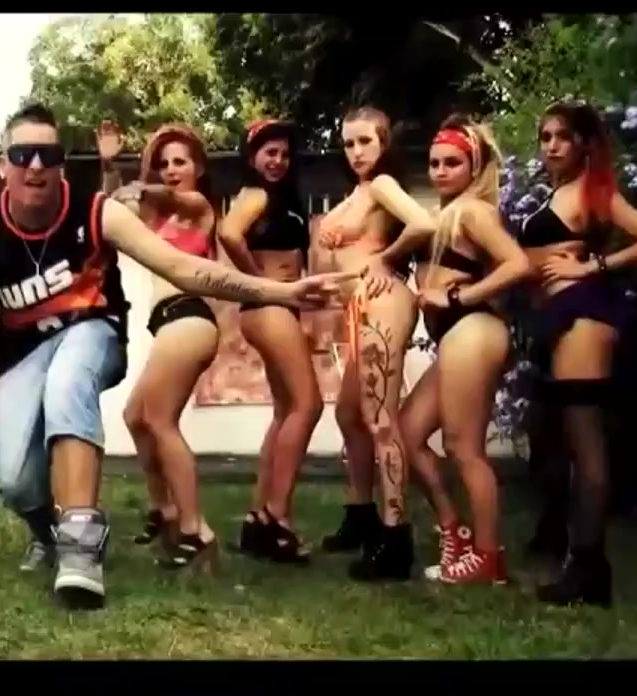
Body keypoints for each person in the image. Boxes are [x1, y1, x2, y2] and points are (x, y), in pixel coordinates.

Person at [0, 103, 353, 609]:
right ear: (3, 167)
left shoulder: (96, 213)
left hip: (93, 332)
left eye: (47, 155)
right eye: (22, 155)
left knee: (68, 381)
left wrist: (282, 291)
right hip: (22, 353)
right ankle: (47, 534)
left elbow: (184, 268)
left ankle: (80, 543)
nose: (35, 166)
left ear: (60, 166)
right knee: (15, 479)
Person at [516, 100, 637, 607]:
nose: (551, 146)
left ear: (583, 143)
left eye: (561, 136)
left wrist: (593, 266)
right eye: (545, 137)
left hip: (585, 316)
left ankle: (588, 567)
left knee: (586, 444)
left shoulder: (593, 190)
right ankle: (568, 549)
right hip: (560, 318)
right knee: (558, 436)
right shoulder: (560, 191)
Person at [397, 115, 532, 583]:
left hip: (473, 327)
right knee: (407, 433)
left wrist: (457, 297)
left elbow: (518, 264)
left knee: (463, 447)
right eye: (434, 162)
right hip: (457, 335)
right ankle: (455, 531)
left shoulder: (473, 211)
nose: (440, 170)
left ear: (473, 168)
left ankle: (489, 558)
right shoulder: (446, 214)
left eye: (452, 162)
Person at [314, 105, 437, 581]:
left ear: (384, 143)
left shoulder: (383, 185)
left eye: (366, 141)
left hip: (382, 303)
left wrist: (386, 259)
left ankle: (395, 536)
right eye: (349, 143)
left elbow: (423, 225)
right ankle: (361, 513)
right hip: (359, 308)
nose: (357, 151)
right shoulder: (359, 191)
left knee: (381, 422)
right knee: (350, 413)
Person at [106, 123, 222, 572]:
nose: (171, 170)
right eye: (164, 164)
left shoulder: (199, 208)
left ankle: (196, 529)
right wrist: (110, 166)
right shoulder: (155, 222)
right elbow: (112, 212)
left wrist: (142, 186)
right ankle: (165, 510)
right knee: (135, 416)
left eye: (180, 162)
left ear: (198, 168)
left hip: (190, 318)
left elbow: (172, 198)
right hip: (169, 324)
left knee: (159, 420)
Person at [217, 119, 325, 564]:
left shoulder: (284, 201)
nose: (277, 161)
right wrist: (260, 283)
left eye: (283, 154)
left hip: (280, 307)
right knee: (309, 405)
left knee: (286, 411)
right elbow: (228, 233)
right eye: (269, 153)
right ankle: (276, 518)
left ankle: (257, 520)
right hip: (268, 306)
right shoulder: (255, 194)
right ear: (252, 156)